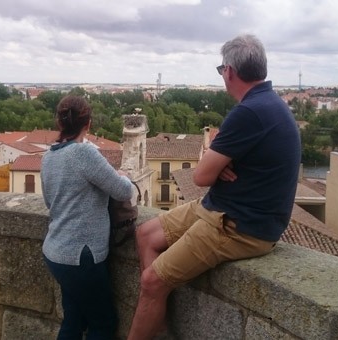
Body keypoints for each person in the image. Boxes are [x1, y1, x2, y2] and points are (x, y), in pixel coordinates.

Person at [127, 34, 301, 339]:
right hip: (222, 208)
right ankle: (157, 321)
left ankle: (152, 304)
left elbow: (200, 177)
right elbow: (212, 171)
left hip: (239, 226)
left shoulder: (248, 113)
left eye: (221, 70)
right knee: (145, 234)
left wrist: (213, 160)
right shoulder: (270, 103)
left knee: (152, 281)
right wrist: (218, 162)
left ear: (229, 71)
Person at [41, 95, 134, 339]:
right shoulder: (84, 154)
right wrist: (121, 175)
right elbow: (124, 190)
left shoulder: (48, 156)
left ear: (60, 123)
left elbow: (50, 202)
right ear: (88, 124)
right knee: (103, 324)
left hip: (56, 251)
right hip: (82, 256)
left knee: (73, 320)